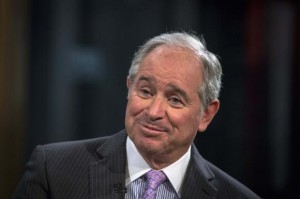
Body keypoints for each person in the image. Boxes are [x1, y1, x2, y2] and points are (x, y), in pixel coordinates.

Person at [13, 32, 261, 199]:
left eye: (175, 100)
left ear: (206, 114)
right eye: (145, 91)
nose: (153, 112)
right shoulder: (52, 170)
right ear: (129, 88)